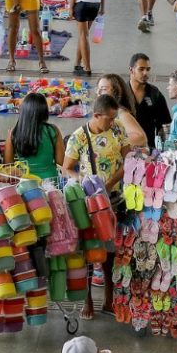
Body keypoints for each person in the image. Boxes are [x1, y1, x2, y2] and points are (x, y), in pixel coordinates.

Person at [63, 96, 131, 317]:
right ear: (96, 115)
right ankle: (87, 300)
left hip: (115, 199)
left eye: (114, 118)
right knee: (89, 251)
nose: (112, 122)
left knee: (112, 251)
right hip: (90, 204)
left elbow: (128, 159)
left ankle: (109, 299)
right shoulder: (79, 137)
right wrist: (84, 180)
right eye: (108, 119)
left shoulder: (118, 129)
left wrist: (109, 183)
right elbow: (67, 168)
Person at [5, 92, 63, 180]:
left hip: (24, 182)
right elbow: (61, 162)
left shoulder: (14, 132)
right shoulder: (52, 130)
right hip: (50, 182)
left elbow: (8, 164)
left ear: (24, 111)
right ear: (44, 111)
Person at [127, 54, 171, 148]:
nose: (145, 73)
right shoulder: (121, 93)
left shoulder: (155, 94)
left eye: (148, 69)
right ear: (131, 70)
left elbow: (164, 124)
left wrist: (163, 149)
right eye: (141, 69)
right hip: (125, 148)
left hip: (148, 148)